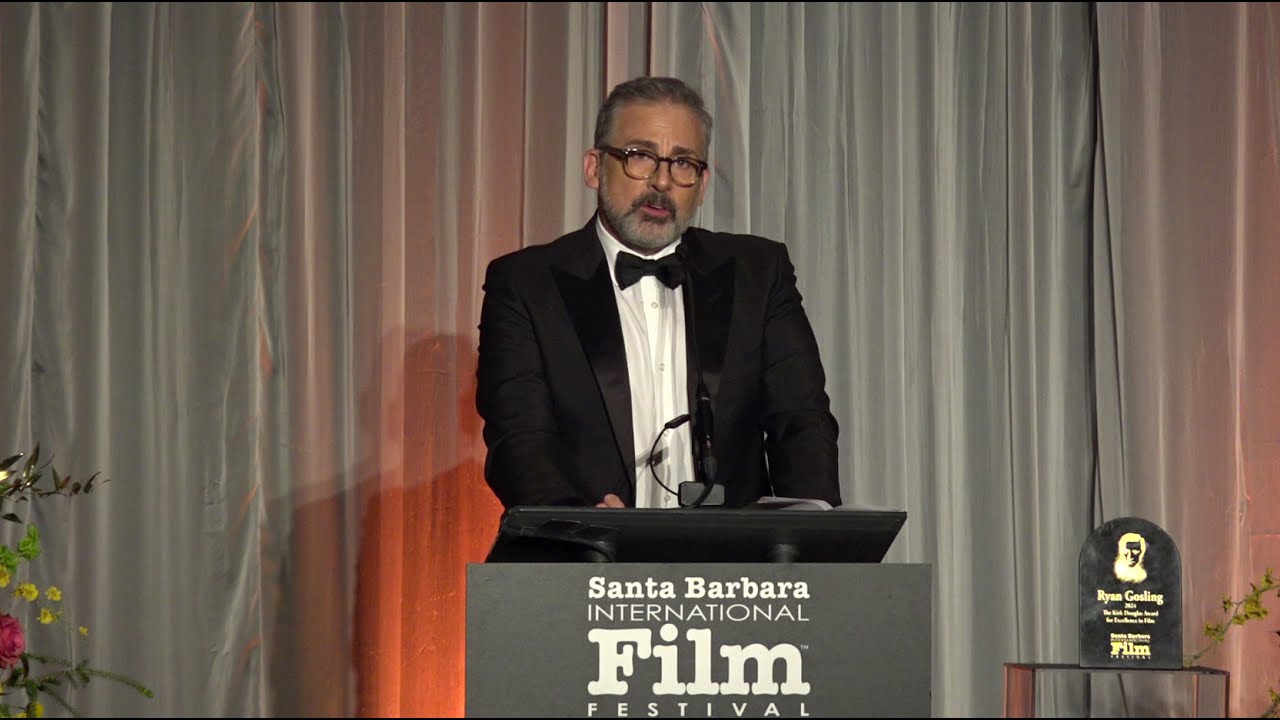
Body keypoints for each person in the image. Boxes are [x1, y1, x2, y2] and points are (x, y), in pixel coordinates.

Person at [475, 75, 841, 510]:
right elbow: (519, 438)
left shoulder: (759, 272)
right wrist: (575, 521)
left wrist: (813, 532)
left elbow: (802, 422)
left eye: (683, 163)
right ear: (594, 168)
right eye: (641, 156)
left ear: (702, 185)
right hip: (584, 548)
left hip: (733, 553)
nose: (662, 181)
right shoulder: (525, 283)